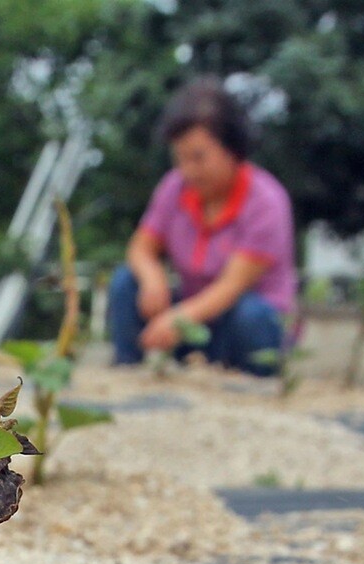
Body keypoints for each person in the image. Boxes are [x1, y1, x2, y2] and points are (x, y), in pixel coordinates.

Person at [107, 77, 297, 374]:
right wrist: (152, 276)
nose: (187, 170)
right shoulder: (175, 188)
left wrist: (179, 318)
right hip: (194, 322)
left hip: (243, 327)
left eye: (198, 157)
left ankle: (252, 383)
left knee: (251, 315)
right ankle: (127, 371)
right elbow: (141, 247)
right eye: (179, 158)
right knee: (125, 281)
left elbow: (232, 286)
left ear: (232, 150)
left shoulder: (266, 202)